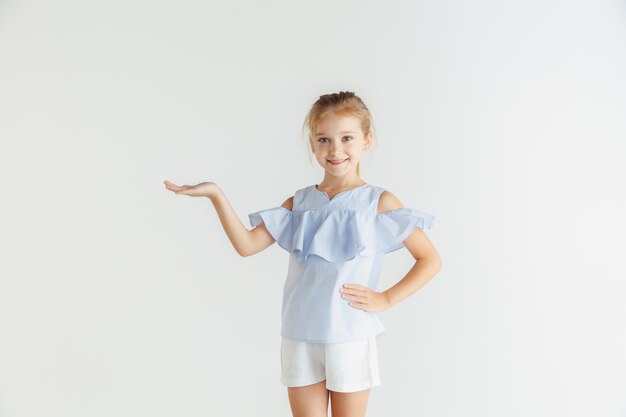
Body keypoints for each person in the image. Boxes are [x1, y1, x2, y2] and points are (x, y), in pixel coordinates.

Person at [163, 91, 442, 417]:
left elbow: (430, 259)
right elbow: (247, 246)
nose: (335, 149)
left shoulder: (377, 202)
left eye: (346, 138)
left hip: (349, 334)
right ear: (312, 144)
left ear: (367, 140)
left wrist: (387, 298)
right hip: (299, 334)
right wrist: (216, 194)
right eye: (324, 139)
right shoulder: (299, 204)